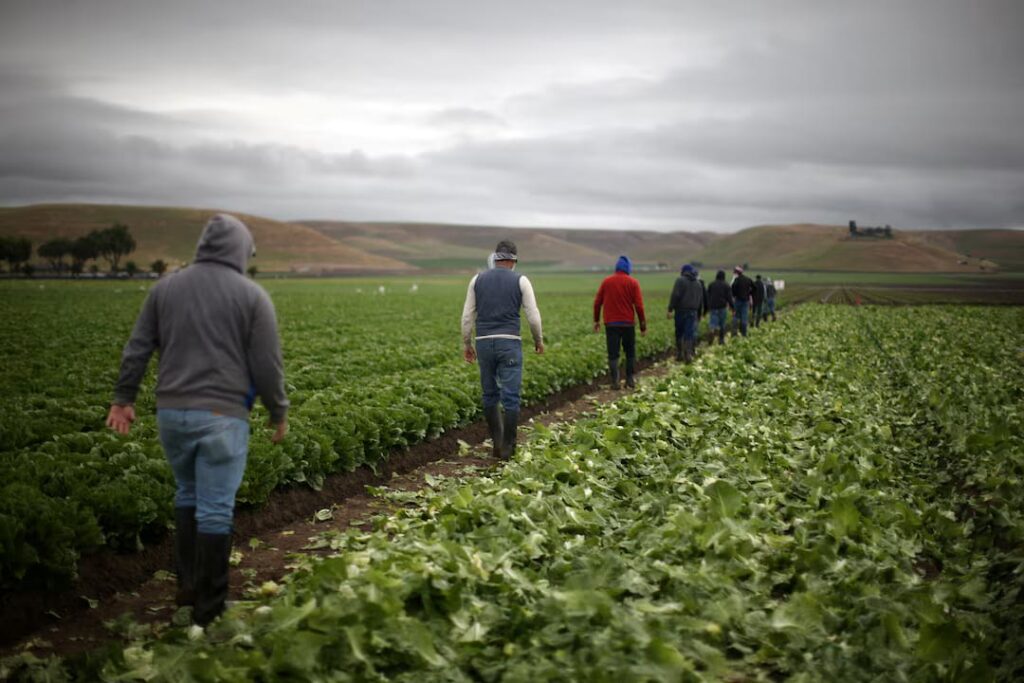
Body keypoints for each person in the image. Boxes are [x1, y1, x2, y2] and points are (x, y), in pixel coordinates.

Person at [106, 214, 289, 627]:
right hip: (223, 415)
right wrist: (277, 410)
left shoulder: (165, 288)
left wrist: (123, 400)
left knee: (187, 493)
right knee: (215, 509)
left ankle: (187, 590)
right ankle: (210, 609)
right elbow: (267, 365)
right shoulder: (251, 296)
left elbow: (137, 348)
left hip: (171, 414)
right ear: (241, 250)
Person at [461, 240, 544, 460]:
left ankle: (497, 444)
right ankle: (508, 446)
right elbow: (533, 317)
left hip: (484, 342)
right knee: (511, 396)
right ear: (514, 259)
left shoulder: (477, 279)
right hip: (509, 343)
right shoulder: (521, 280)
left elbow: (467, 316)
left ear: (496, 257)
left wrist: (467, 344)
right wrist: (538, 339)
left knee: (489, 394)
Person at [593, 255, 647, 388]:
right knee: (630, 352)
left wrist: (596, 321)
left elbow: (597, 303)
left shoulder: (607, 282)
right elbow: (639, 306)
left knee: (613, 353)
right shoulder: (633, 283)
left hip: (611, 324)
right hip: (628, 323)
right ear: (628, 268)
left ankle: (615, 381)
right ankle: (629, 379)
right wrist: (642, 325)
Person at [667, 263, 705, 362]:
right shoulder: (698, 283)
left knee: (679, 332)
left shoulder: (680, 281)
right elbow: (700, 300)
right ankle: (688, 354)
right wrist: (699, 314)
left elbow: (675, 295)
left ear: (683, 272)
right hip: (693, 312)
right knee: (689, 333)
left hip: (681, 311)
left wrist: (670, 309)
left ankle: (680, 354)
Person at [706, 270, 735, 345]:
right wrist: (733, 308)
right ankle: (721, 340)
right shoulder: (726, 285)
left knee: (713, 323)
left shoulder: (711, 284)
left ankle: (712, 331)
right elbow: (729, 298)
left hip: (713, 307)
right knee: (722, 324)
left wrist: (707, 307)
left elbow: (707, 296)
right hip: (722, 307)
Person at [730, 266, 754, 337]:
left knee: (735, 316)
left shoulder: (735, 280)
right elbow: (754, 288)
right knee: (744, 317)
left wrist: (734, 296)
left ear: (736, 272)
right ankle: (744, 333)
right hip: (746, 301)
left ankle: (734, 333)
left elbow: (732, 290)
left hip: (737, 300)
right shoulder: (748, 279)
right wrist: (749, 293)